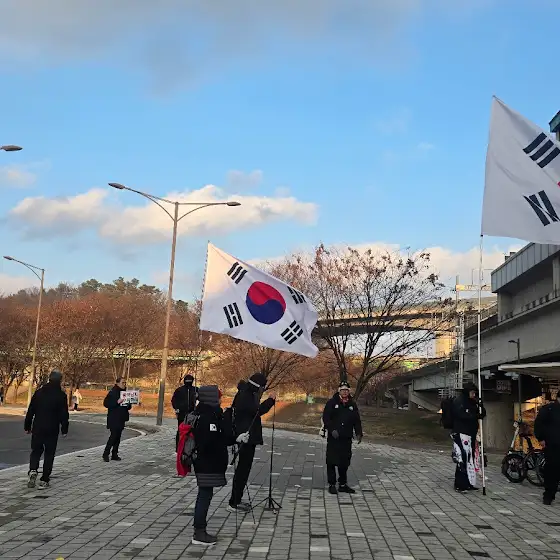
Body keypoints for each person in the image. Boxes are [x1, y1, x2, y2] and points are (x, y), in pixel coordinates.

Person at [191, 385, 235, 546]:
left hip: (206, 462)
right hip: (206, 462)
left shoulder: (210, 415)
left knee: (205, 494)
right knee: (204, 495)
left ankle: (200, 530)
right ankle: (199, 532)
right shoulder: (207, 418)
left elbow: (224, 437)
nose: (220, 400)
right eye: (218, 397)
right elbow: (210, 441)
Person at [228, 373, 276, 512]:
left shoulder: (247, 393)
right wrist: (270, 400)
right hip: (245, 437)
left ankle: (237, 499)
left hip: (248, 436)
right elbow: (257, 411)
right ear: (257, 386)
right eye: (262, 387)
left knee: (244, 469)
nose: (262, 390)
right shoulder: (245, 396)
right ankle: (233, 502)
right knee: (242, 470)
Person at [24, 370, 69, 489]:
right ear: (60, 381)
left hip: (38, 427)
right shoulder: (61, 395)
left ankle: (33, 469)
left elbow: (31, 410)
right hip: (52, 428)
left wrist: (27, 426)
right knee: (49, 453)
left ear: (49, 379)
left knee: (36, 451)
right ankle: (44, 479)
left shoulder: (39, 393)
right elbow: (64, 414)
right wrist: (64, 429)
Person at [322, 381, 363, 495]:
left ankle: (343, 484)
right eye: (342, 390)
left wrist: (359, 433)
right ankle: (331, 484)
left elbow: (357, 420)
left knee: (344, 461)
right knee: (331, 460)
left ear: (349, 392)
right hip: (334, 437)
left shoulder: (352, 404)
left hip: (346, 437)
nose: (344, 392)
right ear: (339, 391)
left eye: (346, 390)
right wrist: (332, 429)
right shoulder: (332, 403)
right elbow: (326, 418)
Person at [451, 382, 486, 492]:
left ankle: (469, 482)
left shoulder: (473, 402)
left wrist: (480, 406)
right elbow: (461, 415)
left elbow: (482, 414)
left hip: (471, 434)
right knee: (462, 458)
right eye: (472, 393)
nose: (473, 395)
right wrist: (473, 415)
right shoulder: (459, 401)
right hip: (461, 433)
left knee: (471, 459)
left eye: (475, 393)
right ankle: (459, 484)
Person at [534, 392, 560, 505]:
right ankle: (548, 495)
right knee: (552, 470)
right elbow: (538, 424)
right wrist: (541, 438)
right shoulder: (548, 409)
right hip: (552, 444)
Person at [102, 377, 132, 462]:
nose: (124, 384)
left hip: (121, 417)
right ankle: (106, 453)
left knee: (118, 437)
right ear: (117, 383)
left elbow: (128, 407)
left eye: (125, 383)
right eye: (123, 383)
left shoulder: (125, 392)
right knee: (113, 436)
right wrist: (117, 402)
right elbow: (106, 403)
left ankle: (114, 454)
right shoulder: (113, 392)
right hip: (114, 418)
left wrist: (128, 404)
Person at [171, 374, 198, 451]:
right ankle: (179, 448)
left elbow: (199, 400)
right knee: (181, 430)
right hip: (182, 414)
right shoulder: (179, 390)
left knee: (193, 431)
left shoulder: (196, 390)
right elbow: (174, 401)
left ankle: (191, 447)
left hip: (193, 414)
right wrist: (177, 409)